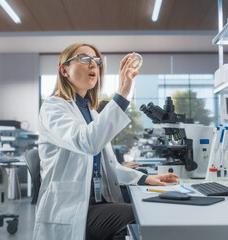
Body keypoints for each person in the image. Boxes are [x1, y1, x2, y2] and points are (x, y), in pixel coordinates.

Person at [34, 43, 179, 240]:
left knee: (147, 210)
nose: (93, 65)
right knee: (141, 216)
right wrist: (122, 93)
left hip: (96, 203)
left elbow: (107, 166)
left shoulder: (92, 113)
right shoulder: (53, 108)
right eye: (84, 59)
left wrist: (146, 179)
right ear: (64, 70)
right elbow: (88, 142)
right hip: (73, 209)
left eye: (96, 61)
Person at [97, 100, 142, 169]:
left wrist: (121, 166)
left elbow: (108, 166)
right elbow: (102, 172)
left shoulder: (104, 139)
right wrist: (123, 168)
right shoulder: (97, 141)